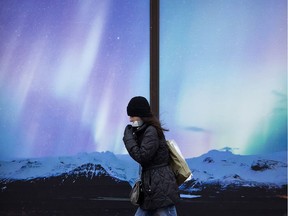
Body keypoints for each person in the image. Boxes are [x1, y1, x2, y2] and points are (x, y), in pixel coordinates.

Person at [123, 96, 179, 216]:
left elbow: (142, 156)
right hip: (152, 190)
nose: (130, 119)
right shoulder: (146, 131)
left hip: (160, 190)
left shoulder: (151, 131)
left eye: (132, 115)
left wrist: (128, 138)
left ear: (141, 115)